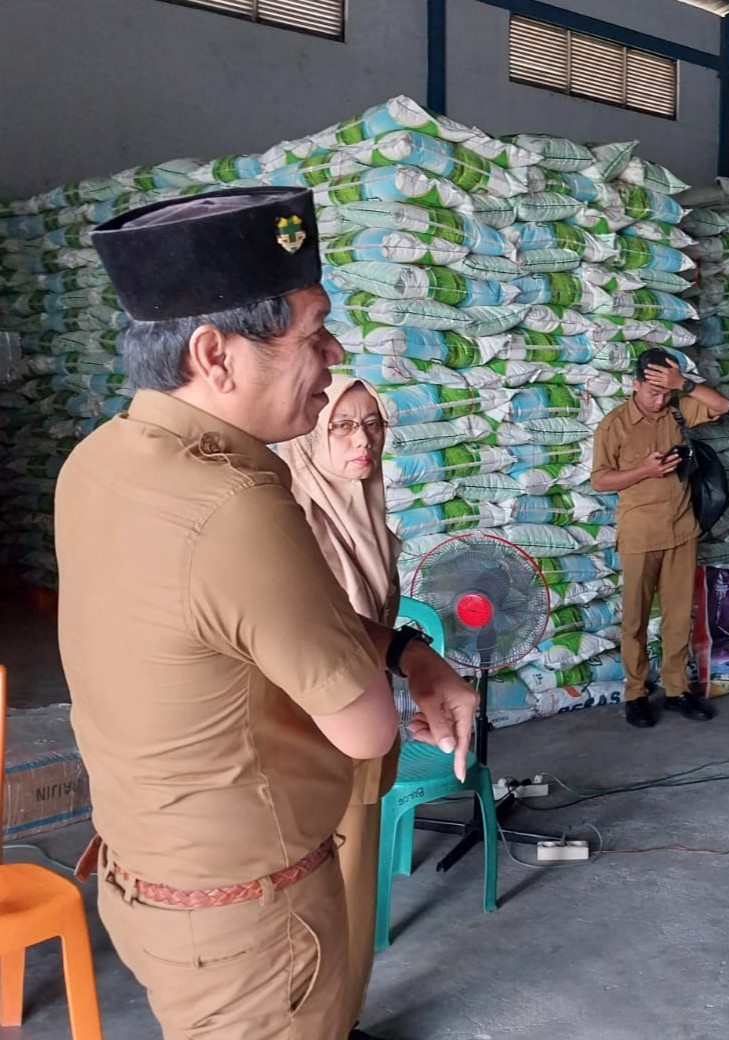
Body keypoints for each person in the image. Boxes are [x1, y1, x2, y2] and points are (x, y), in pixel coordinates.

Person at [55, 186, 479, 1040]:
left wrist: (404, 652)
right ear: (216, 355)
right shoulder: (235, 502)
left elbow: (228, 626)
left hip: (149, 882)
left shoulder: (103, 459)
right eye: (309, 331)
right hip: (252, 929)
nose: (332, 353)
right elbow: (363, 732)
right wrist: (395, 675)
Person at [275, 374, 401, 1040]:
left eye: (373, 423)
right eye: (344, 426)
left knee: (352, 892)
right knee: (317, 903)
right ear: (314, 435)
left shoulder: (367, 512)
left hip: (363, 728)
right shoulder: (295, 518)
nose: (363, 440)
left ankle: (342, 1023)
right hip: (316, 735)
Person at [590, 347, 729, 729]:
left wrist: (682, 385)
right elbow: (600, 480)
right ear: (635, 385)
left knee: (677, 616)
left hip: (682, 530)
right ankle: (635, 692)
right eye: (652, 391)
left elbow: (722, 405)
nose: (659, 400)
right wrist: (643, 471)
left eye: (665, 392)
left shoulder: (678, 409)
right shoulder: (614, 425)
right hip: (640, 533)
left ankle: (676, 689)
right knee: (634, 619)